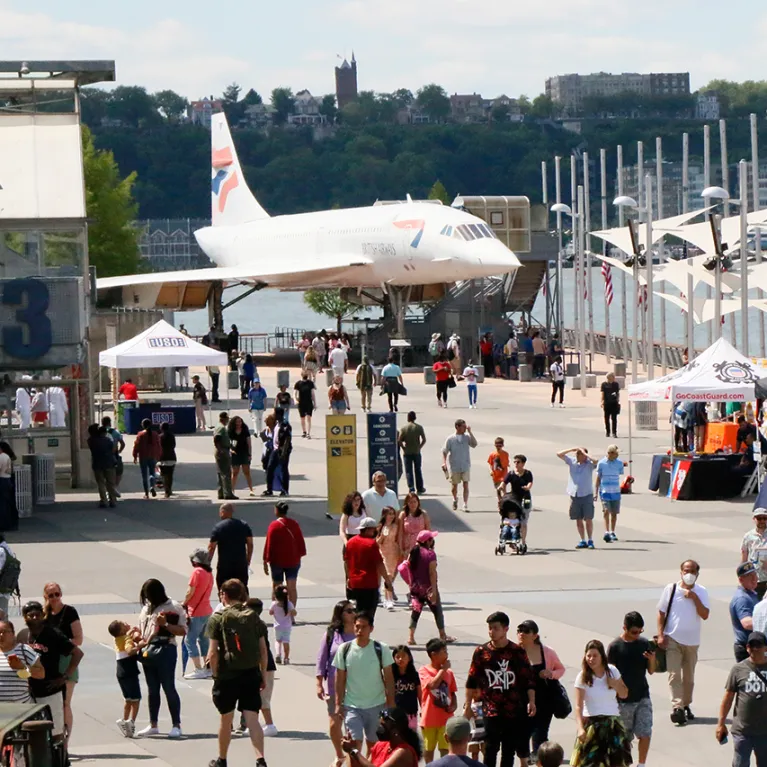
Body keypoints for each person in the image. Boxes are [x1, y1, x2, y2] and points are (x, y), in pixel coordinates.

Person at [206, 578, 269, 767]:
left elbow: (212, 653)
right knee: (252, 718)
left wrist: (216, 676)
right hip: (250, 673)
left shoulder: (217, 618)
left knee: (226, 719)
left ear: (224, 595)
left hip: (227, 675)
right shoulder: (254, 617)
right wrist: (262, 675)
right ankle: (260, 759)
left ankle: (222, 759)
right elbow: (263, 651)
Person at [465, 611, 536, 767]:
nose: (491, 632)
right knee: (490, 749)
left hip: (513, 709)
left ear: (506, 629)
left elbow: (528, 680)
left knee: (509, 750)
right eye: (490, 628)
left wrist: (531, 701)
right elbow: (471, 680)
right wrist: (468, 704)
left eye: (495, 628)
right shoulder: (481, 652)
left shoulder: (517, 652)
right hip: (490, 709)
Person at [20, 600, 83, 743]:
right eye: (31, 615)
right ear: (25, 617)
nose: (35, 618)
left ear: (43, 615)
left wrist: (65, 676)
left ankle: (60, 756)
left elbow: (77, 653)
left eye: (37, 615)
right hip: (28, 691)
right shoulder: (22, 636)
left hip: (51, 689)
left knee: (56, 730)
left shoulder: (53, 634)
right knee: (30, 731)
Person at [333, 610, 396, 753]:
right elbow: (340, 678)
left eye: (363, 627)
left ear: (371, 628)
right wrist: (338, 703)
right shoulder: (344, 649)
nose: (359, 630)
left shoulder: (381, 649)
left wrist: (391, 703)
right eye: (357, 626)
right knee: (353, 745)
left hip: (377, 705)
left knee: (374, 746)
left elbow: (389, 678)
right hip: (352, 705)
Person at [656, 559, 710, 726]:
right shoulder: (671, 589)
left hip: (692, 642)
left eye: (693, 571)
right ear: (680, 572)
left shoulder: (701, 591)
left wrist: (694, 598)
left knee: (689, 678)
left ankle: (686, 704)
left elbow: (705, 614)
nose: (689, 574)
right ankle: (677, 707)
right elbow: (661, 612)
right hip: (673, 638)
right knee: (674, 675)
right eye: (686, 571)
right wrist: (660, 635)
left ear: (697, 574)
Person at [135, 579, 186, 738]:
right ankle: (153, 724)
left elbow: (183, 630)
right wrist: (137, 634)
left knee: (168, 687)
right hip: (147, 650)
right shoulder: (146, 609)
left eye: (149, 596)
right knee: (152, 688)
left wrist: (165, 625)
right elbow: (144, 628)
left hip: (166, 649)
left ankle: (176, 725)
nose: (147, 600)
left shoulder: (173, 607)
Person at [571, 640, 631, 767]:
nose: (591, 659)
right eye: (588, 656)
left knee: (616, 762)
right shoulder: (582, 677)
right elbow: (578, 706)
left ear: (602, 656)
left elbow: (624, 694)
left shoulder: (612, 671)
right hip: (592, 724)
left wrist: (615, 684)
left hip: (612, 724)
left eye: (595, 656)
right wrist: (580, 728)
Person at [607, 612, 655, 767]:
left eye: (640, 631)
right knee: (624, 738)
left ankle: (642, 764)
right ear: (624, 628)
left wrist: (652, 660)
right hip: (622, 701)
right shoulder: (615, 647)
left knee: (645, 732)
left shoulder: (643, 644)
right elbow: (609, 675)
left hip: (642, 696)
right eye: (634, 632)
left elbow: (651, 671)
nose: (637, 635)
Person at [516, 620, 565, 760]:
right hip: (522, 699)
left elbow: (560, 669)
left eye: (526, 631)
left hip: (545, 698)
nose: (521, 634)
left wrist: (551, 673)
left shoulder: (547, 652)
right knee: (524, 732)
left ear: (535, 635)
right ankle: (526, 758)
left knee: (541, 733)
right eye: (519, 631)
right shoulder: (515, 652)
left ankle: (540, 759)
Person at [716, 630, 767, 766]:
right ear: (747, 648)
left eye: (759, 645)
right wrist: (721, 724)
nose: (755, 649)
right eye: (751, 646)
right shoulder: (738, 669)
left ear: (765, 647)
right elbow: (728, 698)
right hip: (743, 731)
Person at [317, 600, 357, 767]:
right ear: (340, 614)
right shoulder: (332, 634)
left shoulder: (360, 631)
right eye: (349, 611)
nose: (353, 613)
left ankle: (352, 756)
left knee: (352, 724)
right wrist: (319, 683)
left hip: (355, 685)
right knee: (334, 722)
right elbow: (321, 658)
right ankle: (339, 754)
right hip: (334, 685)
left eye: (354, 610)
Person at [43, 583, 84, 742]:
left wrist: (60, 642)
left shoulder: (69, 612)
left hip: (67, 660)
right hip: (49, 662)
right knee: (51, 703)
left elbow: (78, 640)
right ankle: (53, 738)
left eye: (57, 594)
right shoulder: (44, 614)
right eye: (51, 595)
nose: (54, 598)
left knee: (65, 703)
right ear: (45, 597)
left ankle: (65, 742)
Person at [407, 530, 454, 645]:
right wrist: (433, 590)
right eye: (431, 539)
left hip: (416, 588)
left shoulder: (413, 552)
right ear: (427, 541)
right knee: (437, 611)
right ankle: (442, 635)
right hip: (428, 588)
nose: (433, 541)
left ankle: (411, 637)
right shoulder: (430, 554)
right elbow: (432, 573)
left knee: (416, 612)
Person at [344, 518, 395, 618]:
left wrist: (349, 577)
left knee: (359, 610)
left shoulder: (350, 542)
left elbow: (347, 562)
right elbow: (379, 563)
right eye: (373, 530)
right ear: (367, 530)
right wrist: (387, 581)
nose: (374, 532)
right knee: (369, 613)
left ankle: (357, 629)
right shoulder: (371, 544)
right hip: (369, 583)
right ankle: (364, 631)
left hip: (355, 582)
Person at [419, 638, 458, 763]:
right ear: (433, 655)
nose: (446, 655)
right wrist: (442, 670)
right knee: (428, 749)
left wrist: (454, 705)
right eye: (444, 652)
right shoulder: (424, 671)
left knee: (445, 749)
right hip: (429, 718)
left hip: (445, 719)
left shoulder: (449, 673)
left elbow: (453, 692)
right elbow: (432, 685)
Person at [341, 707, 421, 767]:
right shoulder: (380, 745)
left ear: (396, 731)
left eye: (383, 726)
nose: (379, 728)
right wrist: (350, 752)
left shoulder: (403, 752)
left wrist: (354, 751)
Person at [263, 501, 306, 609]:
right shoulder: (294, 524)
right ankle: (291, 613)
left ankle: (278, 612)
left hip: (277, 561)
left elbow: (269, 544)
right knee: (292, 588)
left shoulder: (274, 525)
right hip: (293, 560)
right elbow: (300, 541)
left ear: (276, 510)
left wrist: (265, 560)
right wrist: (299, 555)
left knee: (277, 587)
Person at [247, 597, 279, 737]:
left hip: (265, 666)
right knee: (255, 697)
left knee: (263, 698)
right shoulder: (254, 624)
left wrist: (263, 673)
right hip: (258, 665)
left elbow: (263, 651)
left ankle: (270, 725)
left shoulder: (257, 626)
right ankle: (254, 724)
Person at [556, 446, 598, 549]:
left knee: (588, 518)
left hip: (586, 494)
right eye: (577, 454)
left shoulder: (589, 464)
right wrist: (572, 449)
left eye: (580, 454)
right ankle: (582, 539)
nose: (577, 456)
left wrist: (586, 454)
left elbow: (596, 461)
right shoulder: (572, 462)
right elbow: (559, 454)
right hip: (574, 494)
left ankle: (590, 539)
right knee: (578, 519)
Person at [182, 549, 214, 680]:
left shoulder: (196, 572)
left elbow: (191, 591)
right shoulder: (209, 573)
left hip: (195, 611)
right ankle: (208, 667)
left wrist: (184, 603)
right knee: (204, 639)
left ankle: (198, 668)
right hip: (207, 610)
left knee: (189, 639)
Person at [108, 619, 143, 737]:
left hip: (120, 671)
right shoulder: (127, 640)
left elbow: (124, 638)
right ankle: (131, 722)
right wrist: (140, 646)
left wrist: (131, 631)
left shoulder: (118, 639)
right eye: (124, 624)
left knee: (127, 699)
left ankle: (124, 719)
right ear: (122, 629)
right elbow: (129, 650)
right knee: (136, 699)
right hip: (130, 671)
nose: (126, 623)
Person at [208, 502, 254, 588]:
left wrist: (207, 563)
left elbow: (211, 547)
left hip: (224, 566)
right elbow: (250, 544)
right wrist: (248, 560)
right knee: (242, 589)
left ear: (222, 512)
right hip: (241, 565)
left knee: (224, 589)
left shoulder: (218, 527)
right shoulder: (244, 525)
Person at [442, 419, 477, 513]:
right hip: (455, 465)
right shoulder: (450, 439)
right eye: (463, 427)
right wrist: (444, 462)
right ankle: (454, 498)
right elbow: (445, 451)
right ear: (457, 427)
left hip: (465, 465)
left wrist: (470, 432)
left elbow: (474, 444)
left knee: (466, 484)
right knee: (454, 486)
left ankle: (465, 503)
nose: (465, 428)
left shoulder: (467, 437)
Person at [730, 561, 760, 662]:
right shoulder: (742, 598)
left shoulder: (751, 594)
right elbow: (746, 623)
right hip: (746, 649)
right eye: (749, 576)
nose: (754, 578)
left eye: (754, 574)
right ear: (741, 579)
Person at [503, 454, 534, 549]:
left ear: (523, 463)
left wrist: (527, 487)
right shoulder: (511, 473)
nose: (516, 464)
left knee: (524, 521)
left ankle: (523, 542)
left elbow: (530, 482)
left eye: (518, 462)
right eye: (515, 462)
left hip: (526, 498)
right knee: (512, 520)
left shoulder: (528, 473)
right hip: (514, 499)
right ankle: (512, 539)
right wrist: (504, 494)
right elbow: (504, 483)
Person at [596, 444, 624, 544]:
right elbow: (598, 478)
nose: (617, 455)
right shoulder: (602, 463)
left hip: (615, 490)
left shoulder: (619, 463)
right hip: (605, 491)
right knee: (606, 511)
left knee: (614, 513)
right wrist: (596, 492)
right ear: (610, 453)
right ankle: (607, 531)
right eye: (616, 453)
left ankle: (613, 531)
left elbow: (620, 473)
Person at [263, 406, 292, 497]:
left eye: (274, 413)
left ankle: (284, 490)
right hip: (275, 450)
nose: (273, 415)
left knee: (283, 469)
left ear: (279, 415)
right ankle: (269, 489)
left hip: (282, 450)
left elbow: (287, 439)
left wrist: (283, 453)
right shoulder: (276, 423)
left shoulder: (285, 425)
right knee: (270, 468)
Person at [87, 423, 117, 508]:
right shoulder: (107, 440)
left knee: (101, 483)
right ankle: (112, 500)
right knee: (111, 483)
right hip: (109, 463)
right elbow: (113, 449)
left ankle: (104, 500)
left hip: (97, 464)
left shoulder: (90, 441)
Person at [392, 645, 421, 731]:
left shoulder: (414, 674)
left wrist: (423, 708)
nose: (400, 659)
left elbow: (419, 693)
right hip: (395, 713)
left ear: (409, 658)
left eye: (404, 656)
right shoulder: (391, 675)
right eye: (397, 657)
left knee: (411, 738)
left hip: (411, 712)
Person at [377, 507, 400, 611]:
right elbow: (377, 541)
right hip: (384, 552)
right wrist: (381, 536)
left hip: (393, 552)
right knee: (388, 575)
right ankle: (388, 599)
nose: (391, 516)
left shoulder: (396, 526)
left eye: (392, 514)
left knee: (391, 576)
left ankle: (388, 597)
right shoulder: (381, 527)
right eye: (389, 514)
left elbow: (398, 539)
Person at [741, 507, 767, 599]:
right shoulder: (748, 536)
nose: (762, 521)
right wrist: (743, 577)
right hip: (755, 578)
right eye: (759, 518)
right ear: (754, 519)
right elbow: (744, 557)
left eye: (764, 518)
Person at [398, 412, 427, 495]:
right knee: (418, 470)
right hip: (416, 452)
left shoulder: (404, 428)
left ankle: (411, 488)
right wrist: (419, 447)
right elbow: (424, 439)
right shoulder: (419, 427)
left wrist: (403, 448)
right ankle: (420, 488)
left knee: (408, 471)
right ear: (415, 418)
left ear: (408, 418)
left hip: (407, 452)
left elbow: (399, 440)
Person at [398, 493, 432, 558]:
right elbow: (400, 533)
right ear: (407, 503)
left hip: (421, 544)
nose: (413, 504)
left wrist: (430, 546)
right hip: (407, 545)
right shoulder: (403, 514)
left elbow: (429, 531)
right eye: (410, 502)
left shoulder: (423, 514)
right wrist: (400, 548)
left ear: (418, 502)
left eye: (414, 502)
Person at [133, 418, 160, 499]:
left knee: (144, 475)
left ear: (143, 425)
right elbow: (159, 446)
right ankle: (152, 486)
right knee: (152, 473)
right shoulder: (155, 434)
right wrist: (159, 455)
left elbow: (136, 446)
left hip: (143, 456)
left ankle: (146, 494)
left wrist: (134, 456)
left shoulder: (140, 434)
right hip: (153, 456)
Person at [229, 415, 255, 496]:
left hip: (244, 453)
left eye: (240, 421)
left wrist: (249, 454)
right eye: (237, 422)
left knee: (247, 472)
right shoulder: (231, 431)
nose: (239, 423)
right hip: (235, 453)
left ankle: (251, 489)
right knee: (235, 473)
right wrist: (230, 450)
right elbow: (228, 442)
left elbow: (249, 443)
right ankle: (232, 490)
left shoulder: (245, 430)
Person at [269, 584, 296, 664]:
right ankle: (286, 658)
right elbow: (294, 613)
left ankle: (278, 654)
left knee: (278, 641)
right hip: (287, 627)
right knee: (286, 641)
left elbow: (270, 612)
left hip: (277, 626)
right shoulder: (289, 604)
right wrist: (291, 612)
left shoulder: (274, 604)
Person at [214, 412, 237, 501]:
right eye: (227, 419)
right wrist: (221, 450)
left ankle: (221, 493)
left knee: (220, 473)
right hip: (223, 451)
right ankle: (228, 493)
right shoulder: (221, 428)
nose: (228, 421)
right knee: (226, 473)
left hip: (222, 450)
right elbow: (217, 439)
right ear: (223, 419)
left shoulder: (218, 426)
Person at [103, 416, 125, 497]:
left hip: (104, 455)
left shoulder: (101, 432)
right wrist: (119, 451)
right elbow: (122, 443)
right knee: (118, 471)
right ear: (110, 422)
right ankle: (114, 487)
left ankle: (109, 490)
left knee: (105, 474)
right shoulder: (115, 432)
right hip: (114, 455)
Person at [0, 442, 17, 532]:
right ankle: (11, 523)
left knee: (4, 503)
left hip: (3, 479)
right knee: (8, 502)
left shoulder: (3, 448)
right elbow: (14, 457)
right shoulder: (5, 450)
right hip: (8, 478)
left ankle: (5, 524)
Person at [294, 371, 317, 438]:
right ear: (301, 375)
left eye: (306, 375)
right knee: (302, 418)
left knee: (309, 418)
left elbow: (312, 394)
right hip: (301, 403)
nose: (305, 376)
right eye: (304, 375)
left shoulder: (310, 383)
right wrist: (295, 400)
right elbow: (294, 393)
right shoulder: (298, 383)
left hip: (309, 402)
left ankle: (308, 433)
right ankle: (304, 431)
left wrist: (315, 403)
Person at [157, 422, 177, 498]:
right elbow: (174, 445)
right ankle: (169, 489)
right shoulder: (172, 436)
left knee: (164, 475)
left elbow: (158, 447)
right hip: (172, 457)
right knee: (170, 475)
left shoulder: (160, 437)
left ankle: (166, 491)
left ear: (161, 428)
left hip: (163, 458)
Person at [0, 536, 17, 616]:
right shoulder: (5, 547)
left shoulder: (1, 550)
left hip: (1, 592)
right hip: (4, 590)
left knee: (2, 619)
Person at [600, 373, 621, 438]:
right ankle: (608, 432)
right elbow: (603, 394)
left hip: (614, 403)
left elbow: (617, 393)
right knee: (606, 418)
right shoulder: (604, 384)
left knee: (614, 418)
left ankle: (614, 432)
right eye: (613, 377)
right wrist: (602, 402)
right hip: (607, 403)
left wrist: (617, 400)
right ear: (609, 378)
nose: (614, 378)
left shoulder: (616, 384)